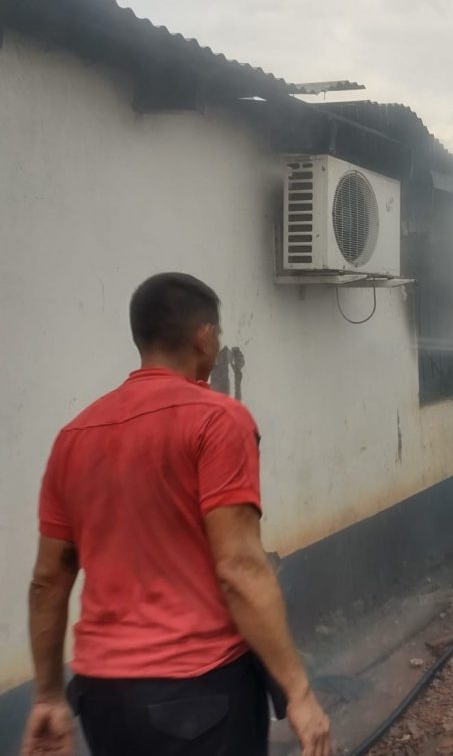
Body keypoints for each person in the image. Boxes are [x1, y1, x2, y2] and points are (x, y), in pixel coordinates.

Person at [21, 273, 331, 756]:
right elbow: (240, 568)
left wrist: (47, 696)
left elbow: (48, 580)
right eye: (219, 335)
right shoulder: (217, 419)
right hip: (201, 693)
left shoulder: (74, 436)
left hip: (103, 698)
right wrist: (299, 692)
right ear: (204, 335)